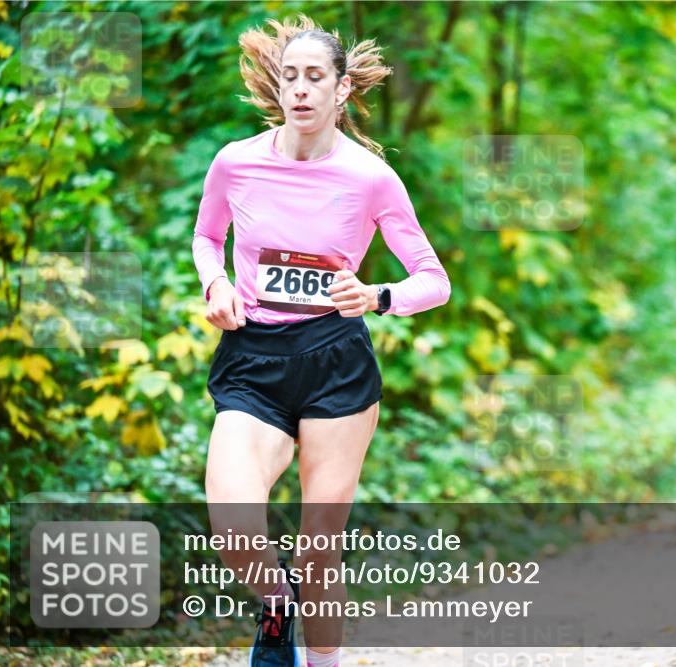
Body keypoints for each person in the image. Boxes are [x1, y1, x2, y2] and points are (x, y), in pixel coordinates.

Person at [191, 16, 450, 667]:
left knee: (318, 548)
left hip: (337, 361)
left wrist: (378, 296)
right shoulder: (236, 162)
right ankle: (279, 610)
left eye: (315, 78)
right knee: (232, 520)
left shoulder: (369, 178)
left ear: (341, 91)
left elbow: (434, 280)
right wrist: (215, 281)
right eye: (291, 76)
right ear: (278, 86)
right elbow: (204, 238)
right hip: (254, 357)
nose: (301, 90)